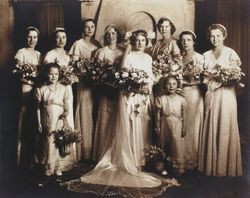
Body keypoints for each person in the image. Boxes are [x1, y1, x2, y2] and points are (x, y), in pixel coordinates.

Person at [65, 30, 178, 197]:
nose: (140, 43)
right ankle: (130, 160)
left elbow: (151, 76)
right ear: (133, 41)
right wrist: (136, 84)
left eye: (142, 40)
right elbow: (124, 71)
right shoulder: (129, 56)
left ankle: (142, 160)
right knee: (131, 125)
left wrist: (149, 83)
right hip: (131, 95)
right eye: (137, 40)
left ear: (146, 41)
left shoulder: (147, 57)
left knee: (144, 126)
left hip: (144, 95)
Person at [198, 24, 242, 176]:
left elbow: (236, 77)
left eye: (218, 35)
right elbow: (203, 78)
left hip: (227, 95)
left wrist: (221, 79)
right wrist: (210, 80)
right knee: (211, 124)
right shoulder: (205, 55)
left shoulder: (231, 53)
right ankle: (210, 167)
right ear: (208, 37)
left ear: (224, 36)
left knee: (225, 126)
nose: (215, 39)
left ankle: (225, 168)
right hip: (211, 94)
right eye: (212, 36)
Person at [43, 27, 76, 170]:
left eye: (64, 37)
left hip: (67, 89)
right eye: (58, 37)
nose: (61, 40)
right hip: (55, 91)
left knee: (66, 119)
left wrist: (71, 78)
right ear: (54, 39)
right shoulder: (49, 54)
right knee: (54, 122)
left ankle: (66, 158)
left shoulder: (69, 55)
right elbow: (47, 74)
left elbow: (74, 74)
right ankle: (53, 159)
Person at [69, 18, 100, 161]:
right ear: (83, 28)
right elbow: (74, 66)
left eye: (92, 26)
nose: (90, 29)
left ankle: (94, 149)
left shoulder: (97, 44)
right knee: (84, 111)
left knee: (95, 111)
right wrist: (85, 73)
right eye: (87, 27)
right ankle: (83, 150)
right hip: (83, 82)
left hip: (96, 83)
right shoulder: (78, 44)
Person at [92, 24, 124, 161]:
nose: (111, 36)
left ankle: (116, 153)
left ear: (118, 35)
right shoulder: (101, 52)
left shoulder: (123, 52)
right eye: (108, 34)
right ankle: (102, 153)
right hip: (105, 90)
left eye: (114, 33)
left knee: (118, 120)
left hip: (119, 90)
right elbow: (96, 73)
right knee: (104, 119)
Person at [35, 63, 69, 176]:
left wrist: (66, 114)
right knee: (48, 141)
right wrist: (39, 122)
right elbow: (38, 108)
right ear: (46, 74)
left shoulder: (63, 88)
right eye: (50, 74)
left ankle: (58, 167)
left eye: (56, 74)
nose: (53, 76)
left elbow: (65, 104)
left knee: (58, 141)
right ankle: (48, 167)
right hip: (47, 118)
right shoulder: (42, 89)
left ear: (59, 75)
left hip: (59, 119)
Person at [14, 26, 41, 170]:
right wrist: (28, 76)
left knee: (35, 121)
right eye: (30, 37)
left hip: (36, 90)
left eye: (35, 37)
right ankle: (21, 157)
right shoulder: (21, 52)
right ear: (26, 37)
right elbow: (17, 72)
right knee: (24, 120)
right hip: (25, 89)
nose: (32, 40)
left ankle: (34, 158)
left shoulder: (38, 54)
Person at [179, 30, 204, 170]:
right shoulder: (179, 57)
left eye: (188, 40)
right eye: (183, 40)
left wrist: (185, 82)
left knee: (192, 126)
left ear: (193, 42)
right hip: (179, 93)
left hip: (194, 94)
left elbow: (201, 79)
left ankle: (192, 160)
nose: (185, 43)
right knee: (181, 125)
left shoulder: (199, 57)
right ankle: (181, 158)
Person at [155, 76, 187, 174]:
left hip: (177, 124)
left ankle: (178, 165)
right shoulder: (161, 99)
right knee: (164, 144)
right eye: (168, 84)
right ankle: (164, 165)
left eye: (174, 84)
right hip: (165, 123)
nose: (171, 86)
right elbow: (158, 114)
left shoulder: (181, 99)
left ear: (177, 85)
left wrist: (184, 127)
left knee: (177, 144)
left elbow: (184, 114)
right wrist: (158, 127)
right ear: (165, 86)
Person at [151, 17, 182, 97]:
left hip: (168, 80)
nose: (163, 29)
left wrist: (165, 72)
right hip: (156, 79)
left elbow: (178, 63)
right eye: (161, 27)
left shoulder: (174, 42)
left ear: (171, 27)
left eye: (166, 27)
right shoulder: (157, 43)